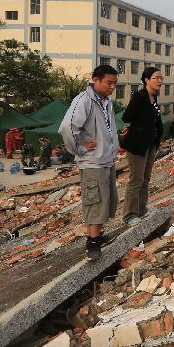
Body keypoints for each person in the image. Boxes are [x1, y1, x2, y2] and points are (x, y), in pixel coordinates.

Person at [60, 64, 120, 260]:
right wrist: (80, 149)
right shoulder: (84, 100)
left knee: (105, 202)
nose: (112, 87)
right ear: (95, 80)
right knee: (94, 201)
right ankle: (92, 243)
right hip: (92, 162)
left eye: (114, 83)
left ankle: (99, 236)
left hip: (106, 160)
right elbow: (67, 128)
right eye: (108, 83)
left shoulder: (106, 101)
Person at [121, 67, 164, 226]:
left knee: (145, 179)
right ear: (146, 79)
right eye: (156, 78)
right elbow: (127, 117)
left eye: (161, 78)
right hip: (137, 144)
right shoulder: (139, 97)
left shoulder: (154, 97)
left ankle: (141, 209)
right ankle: (129, 215)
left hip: (151, 143)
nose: (160, 81)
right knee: (136, 180)